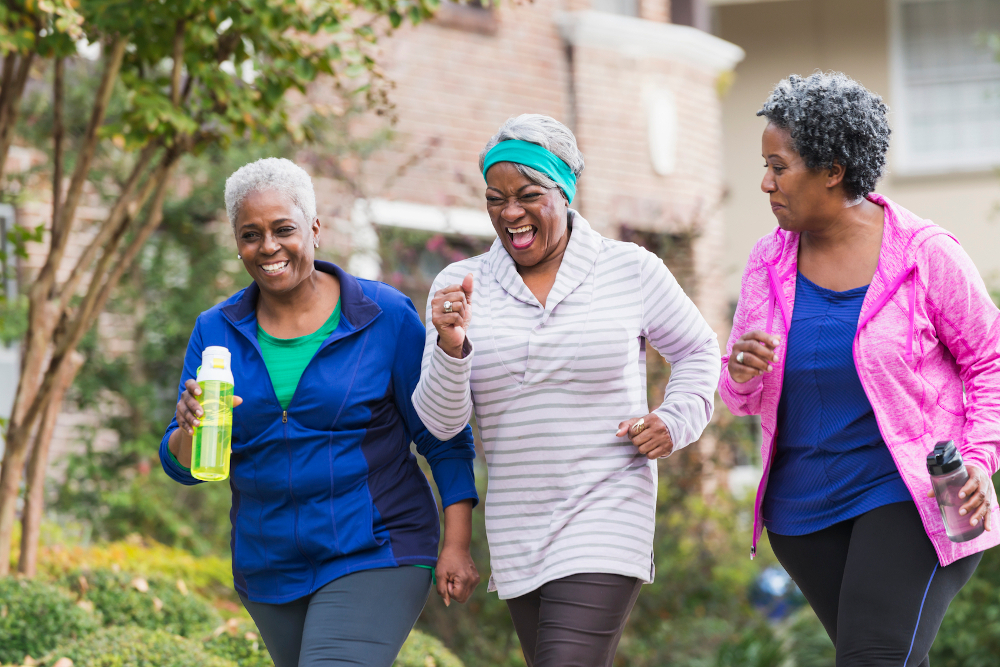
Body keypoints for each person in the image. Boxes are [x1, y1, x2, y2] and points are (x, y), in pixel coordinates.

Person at [411, 114, 721, 667]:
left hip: (608, 506)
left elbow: (699, 353)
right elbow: (440, 424)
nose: (510, 213)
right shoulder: (462, 284)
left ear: (565, 192)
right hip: (519, 524)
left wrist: (674, 421)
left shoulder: (629, 269)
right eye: (495, 198)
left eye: (528, 195)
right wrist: (451, 346)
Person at [720, 72, 1000, 666]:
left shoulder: (925, 254)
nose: (765, 182)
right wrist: (741, 369)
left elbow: (990, 359)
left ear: (832, 170)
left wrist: (977, 458)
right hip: (804, 517)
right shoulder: (767, 261)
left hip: (914, 496)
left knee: (872, 659)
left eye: (779, 165)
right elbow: (741, 397)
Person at [159, 158, 480, 667]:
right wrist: (186, 429)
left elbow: (442, 435)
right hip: (269, 568)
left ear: (313, 227)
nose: (268, 246)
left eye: (283, 229)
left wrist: (457, 542)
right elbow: (185, 465)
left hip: (377, 548)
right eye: (250, 234)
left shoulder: (383, 317)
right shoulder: (216, 330)